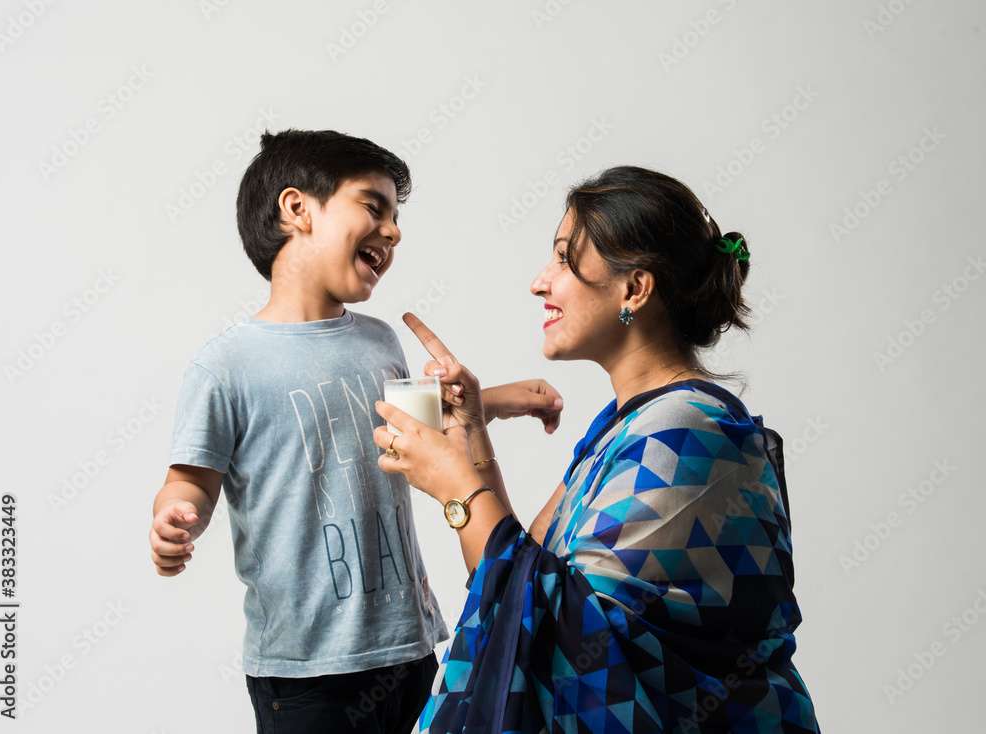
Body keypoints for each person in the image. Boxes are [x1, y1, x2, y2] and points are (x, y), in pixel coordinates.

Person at [372, 166, 821, 732]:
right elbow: (515, 588)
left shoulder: (687, 435)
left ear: (634, 288)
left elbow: (568, 632)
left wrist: (456, 487)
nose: (540, 282)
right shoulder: (627, 422)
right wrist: (469, 433)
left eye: (564, 259)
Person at [147, 129, 558, 734]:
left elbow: (408, 432)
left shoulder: (378, 341)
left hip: (408, 647)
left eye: (396, 219)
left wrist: (493, 401)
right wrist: (176, 516)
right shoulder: (226, 366)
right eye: (374, 207)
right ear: (298, 210)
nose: (392, 232)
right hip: (306, 670)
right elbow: (191, 478)